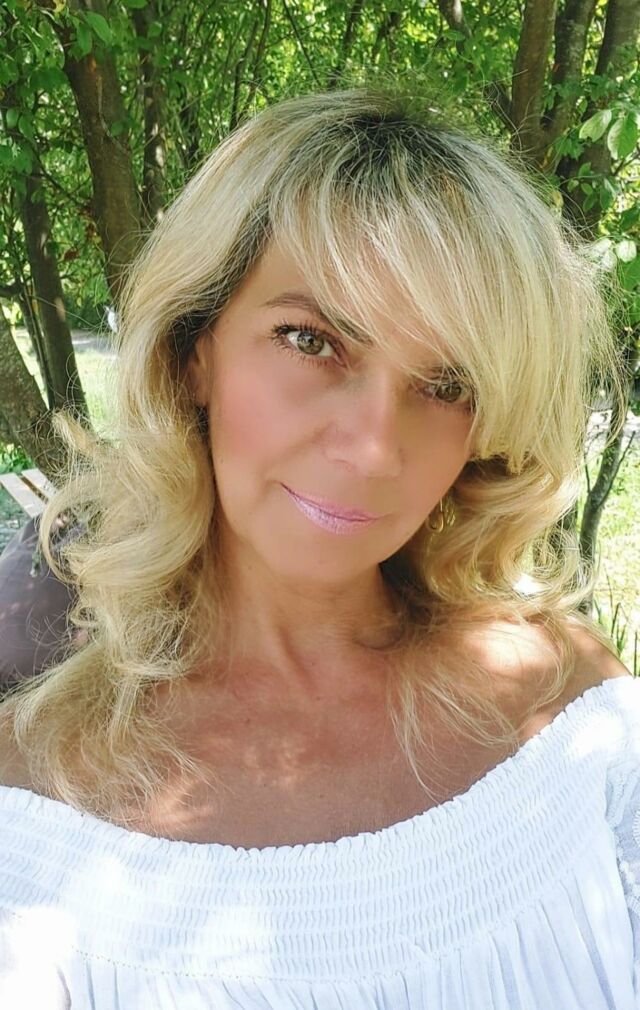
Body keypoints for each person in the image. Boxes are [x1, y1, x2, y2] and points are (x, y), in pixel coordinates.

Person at [0, 84, 637, 1009]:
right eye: (311, 339)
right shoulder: (31, 817)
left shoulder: (568, 710)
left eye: (446, 383)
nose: (375, 447)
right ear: (194, 350)